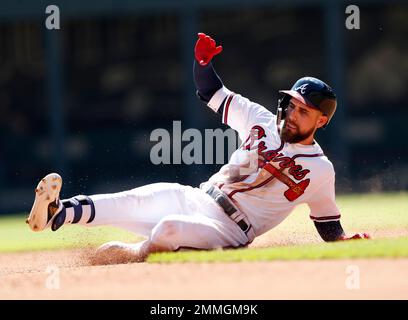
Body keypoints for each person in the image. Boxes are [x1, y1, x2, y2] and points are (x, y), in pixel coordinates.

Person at [26, 33, 369, 264]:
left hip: (232, 228)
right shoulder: (260, 119)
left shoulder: (320, 170)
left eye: (304, 111)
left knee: (167, 229)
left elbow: (327, 223)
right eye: (292, 104)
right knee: (132, 200)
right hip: (198, 196)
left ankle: (135, 254)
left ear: (321, 121)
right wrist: (203, 65)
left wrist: (342, 240)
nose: (292, 113)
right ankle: (56, 212)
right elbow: (212, 93)